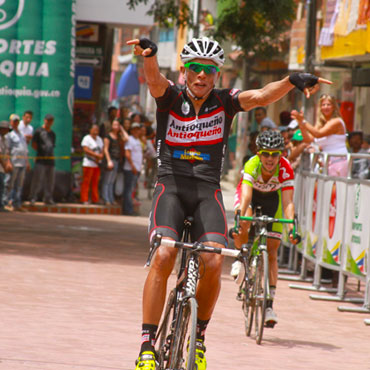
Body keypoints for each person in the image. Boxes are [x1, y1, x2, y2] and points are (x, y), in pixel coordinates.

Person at [127, 35, 330, 370]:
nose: (202, 76)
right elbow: (152, 78)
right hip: (171, 187)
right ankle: (147, 344)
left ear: (217, 74)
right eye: (195, 69)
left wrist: (292, 80)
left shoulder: (225, 101)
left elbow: (262, 95)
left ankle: (200, 338)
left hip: (207, 191)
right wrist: (150, 54)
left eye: (209, 70)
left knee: (213, 261)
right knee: (164, 253)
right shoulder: (170, 96)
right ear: (185, 71)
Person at [231, 130, 300, 326]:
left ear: (281, 155)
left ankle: (269, 305)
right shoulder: (252, 164)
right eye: (266, 154)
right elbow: (245, 197)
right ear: (259, 154)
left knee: (272, 250)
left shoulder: (285, 169)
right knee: (244, 220)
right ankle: (240, 256)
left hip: (273, 200)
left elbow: (287, 202)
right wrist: (240, 220)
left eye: (275, 154)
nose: (270, 158)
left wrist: (292, 228)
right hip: (251, 196)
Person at [291, 94, 348, 177]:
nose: (326, 107)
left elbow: (318, 134)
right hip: (324, 163)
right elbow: (308, 140)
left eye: (328, 104)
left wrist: (303, 121)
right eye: (323, 105)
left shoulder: (337, 122)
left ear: (334, 107)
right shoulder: (320, 124)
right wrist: (300, 123)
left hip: (338, 162)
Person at [29, 114, 56, 205]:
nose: (49, 122)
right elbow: (34, 144)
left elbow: (52, 146)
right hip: (41, 160)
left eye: (51, 121)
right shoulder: (38, 131)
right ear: (44, 120)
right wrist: (41, 153)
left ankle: (48, 198)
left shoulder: (52, 133)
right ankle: (33, 197)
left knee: (50, 181)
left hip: (50, 160)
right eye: (48, 120)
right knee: (37, 180)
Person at [5, 114, 29, 211]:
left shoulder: (21, 134)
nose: (15, 123)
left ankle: (17, 204)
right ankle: (6, 203)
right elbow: (7, 149)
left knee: (19, 185)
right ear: (10, 122)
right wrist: (8, 162)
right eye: (14, 121)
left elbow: (25, 149)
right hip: (13, 162)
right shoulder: (9, 134)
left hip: (22, 163)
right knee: (10, 183)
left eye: (17, 121)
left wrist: (27, 162)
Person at [102, 120, 128, 205]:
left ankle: (111, 198)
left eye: (117, 125)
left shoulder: (119, 136)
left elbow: (126, 138)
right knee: (107, 180)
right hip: (110, 160)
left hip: (117, 161)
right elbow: (105, 149)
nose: (116, 126)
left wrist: (122, 129)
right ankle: (106, 199)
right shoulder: (107, 136)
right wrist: (109, 161)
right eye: (114, 124)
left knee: (112, 181)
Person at [122, 122, 143, 215]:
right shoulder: (130, 140)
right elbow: (127, 154)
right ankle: (128, 210)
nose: (136, 131)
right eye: (134, 129)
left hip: (136, 169)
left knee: (131, 190)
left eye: (138, 129)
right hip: (130, 169)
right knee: (129, 190)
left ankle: (129, 208)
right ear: (131, 130)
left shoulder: (138, 140)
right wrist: (133, 166)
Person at [80, 124, 104, 204]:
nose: (95, 131)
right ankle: (84, 199)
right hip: (88, 163)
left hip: (97, 164)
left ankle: (95, 199)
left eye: (97, 130)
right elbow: (86, 149)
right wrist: (96, 155)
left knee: (95, 182)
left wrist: (100, 156)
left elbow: (102, 149)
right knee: (86, 182)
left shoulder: (99, 139)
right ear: (90, 130)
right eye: (94, 129)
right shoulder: (86, 138)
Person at [0, 120, 12, 211]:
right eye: (4, 129)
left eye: (7, 129)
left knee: (3, 185)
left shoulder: (5, 139)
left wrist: (8, 163)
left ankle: (1, 204)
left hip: (2, 168)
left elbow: (7, 153)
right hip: (1, 167)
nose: (5, 130)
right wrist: (4, 165)